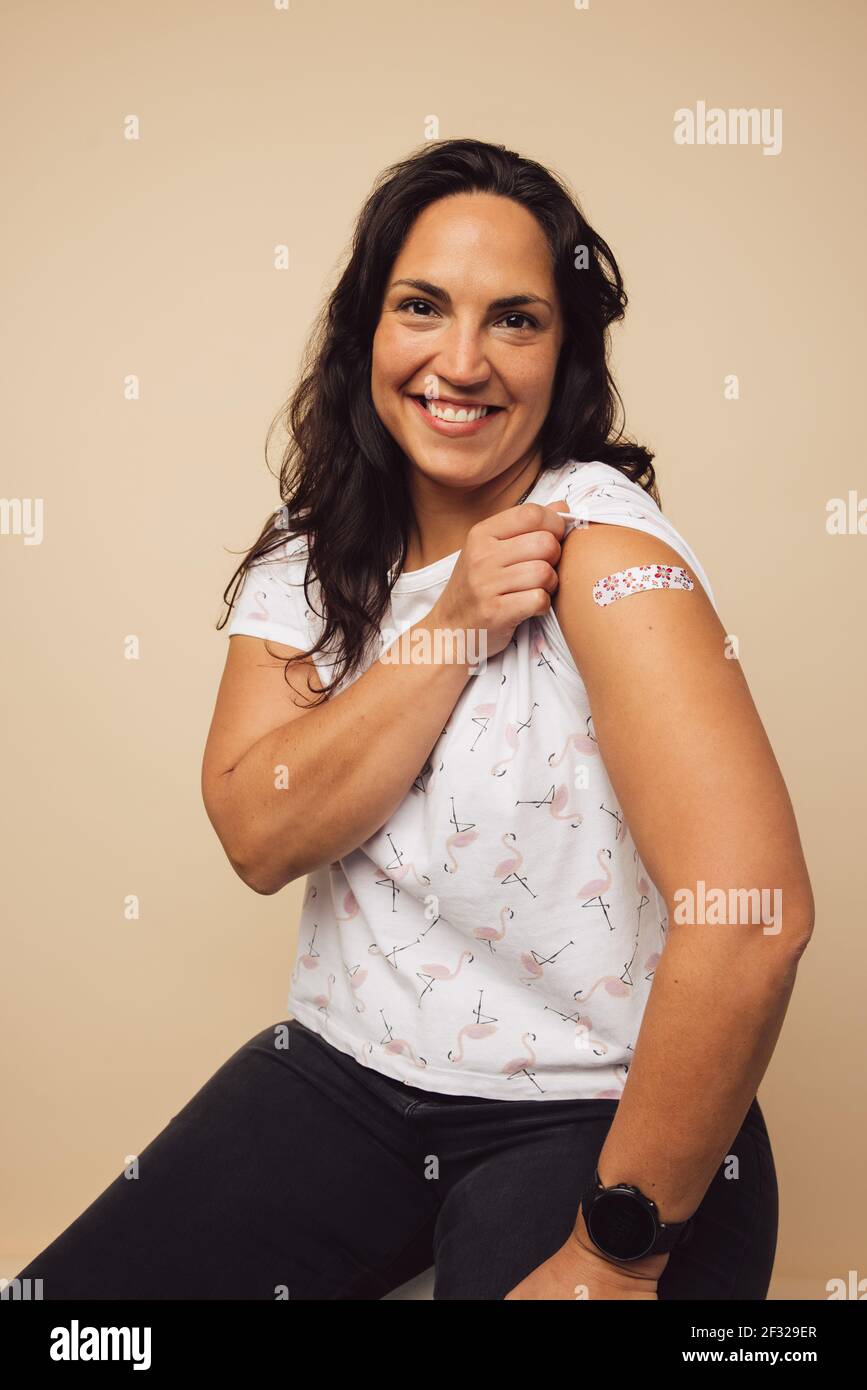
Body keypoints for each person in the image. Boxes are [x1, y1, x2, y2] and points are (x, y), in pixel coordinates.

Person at [9, 138, 812, 1301]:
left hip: (601, 1110)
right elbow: (258, 832)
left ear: (567, 352)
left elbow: (756, 920)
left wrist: (612, 1252)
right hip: (350, 1080)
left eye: (518, 320)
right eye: (422, 306)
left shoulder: (603, 547)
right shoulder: (312, 548)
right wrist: (452, 625)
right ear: (367, 330)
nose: (462, 360)